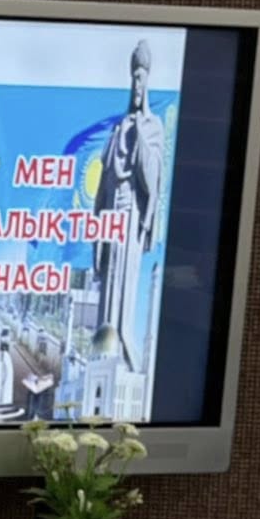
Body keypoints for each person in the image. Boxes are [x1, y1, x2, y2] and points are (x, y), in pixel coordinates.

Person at [91, 38, 166, 366]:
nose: (137, 85)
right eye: (133, 78)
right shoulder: (117, 128)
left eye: (141, 78)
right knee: (109, 281)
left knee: (126, 282)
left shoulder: (152, 127)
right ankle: (103, 344)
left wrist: (140, 139)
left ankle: (122, 343)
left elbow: (152, 178)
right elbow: (104, 182)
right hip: (111, 216)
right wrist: (97, 226)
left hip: (132, 216)